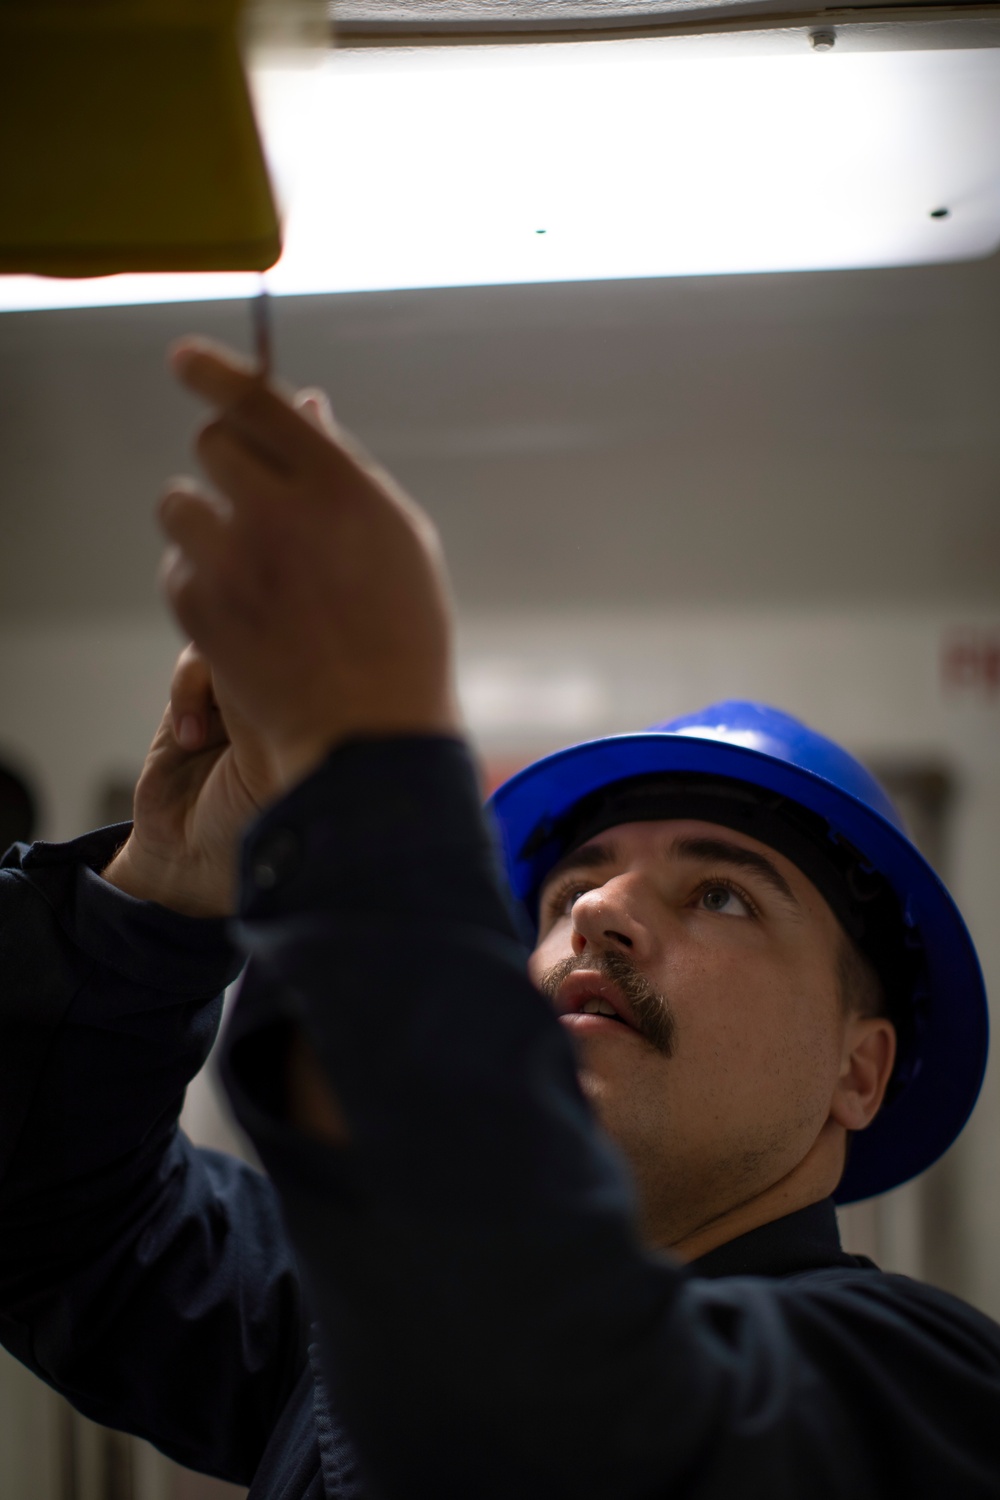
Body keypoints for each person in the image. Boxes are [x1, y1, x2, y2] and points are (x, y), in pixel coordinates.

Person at [0, 339, 998, 1499]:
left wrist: (363, 771)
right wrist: (166, 892)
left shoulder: (925, 1394)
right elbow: (50, 1211)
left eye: (719, 894)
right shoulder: (357, 1321)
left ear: (858, 1072)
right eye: (572, 890)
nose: (605, 913)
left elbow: (563, 1408)